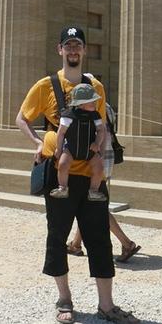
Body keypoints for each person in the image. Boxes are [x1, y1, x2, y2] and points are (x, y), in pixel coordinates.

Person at [16, 26, 140, 324]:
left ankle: (106, 305)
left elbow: (102, 127)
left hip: (90, 171)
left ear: (83, 50)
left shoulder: (95, 86)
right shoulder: (46, 85)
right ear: (60, 50)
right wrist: (38, 142)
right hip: (60, 172)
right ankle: (64, 299)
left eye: (78, 45)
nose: (73, 50)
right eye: (68, 45)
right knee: (57, 236)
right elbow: (22, 118)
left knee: (99, 238)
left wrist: (102, 161)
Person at [67, 103, 141, 263]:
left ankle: (127, 243)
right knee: (87, 203)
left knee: (96, 207)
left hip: (93, 163)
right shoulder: (106, 106)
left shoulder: (85, 109)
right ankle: (75, 244)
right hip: (107, 159)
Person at [51, 83, 107, 201]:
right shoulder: (69, 115)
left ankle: (93, 191)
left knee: (99, 167)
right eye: (91, 101)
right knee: (62, 164)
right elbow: (61, 133)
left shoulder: (95, 115)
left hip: (89, 149)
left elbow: (101, 130)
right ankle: (63, 188)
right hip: (71, 148)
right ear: (80, 104)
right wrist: (59, 149)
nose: (95, 103)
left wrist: (97, 143)